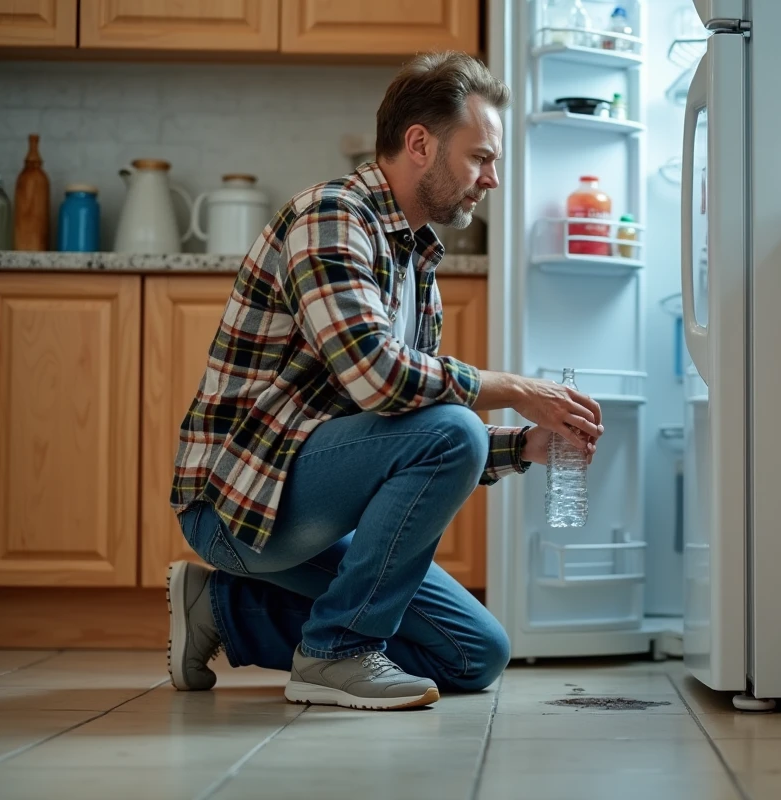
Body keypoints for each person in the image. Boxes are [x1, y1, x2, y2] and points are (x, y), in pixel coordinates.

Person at [165, 51, 603, 711]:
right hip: (239, 502)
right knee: (454, 430)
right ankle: (334, 655)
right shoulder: (332, 215)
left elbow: (407, 425)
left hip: (307, 496)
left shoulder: (416, 256)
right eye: (481, 158)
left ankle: (220, 609)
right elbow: (380, 380)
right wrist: (514, 388)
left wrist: (523, 447)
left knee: (474, 653)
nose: (492, 180)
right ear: (420, 144)